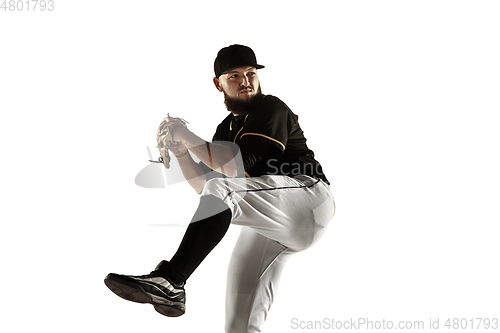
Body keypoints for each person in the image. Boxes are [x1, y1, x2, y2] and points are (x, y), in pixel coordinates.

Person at [104, 44, 335, 333]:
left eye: (251, 73)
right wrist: (182, 152)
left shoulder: (271, 109)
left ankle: (172, 280)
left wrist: (183, 133)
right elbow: (207, 188)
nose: (246, 81)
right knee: (238, 324)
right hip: (270, 221)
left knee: (223, 187)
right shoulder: (225, 130)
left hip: (307, 197)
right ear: (218, 83)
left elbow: (233, 169)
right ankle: (174, 285)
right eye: (234, 76)